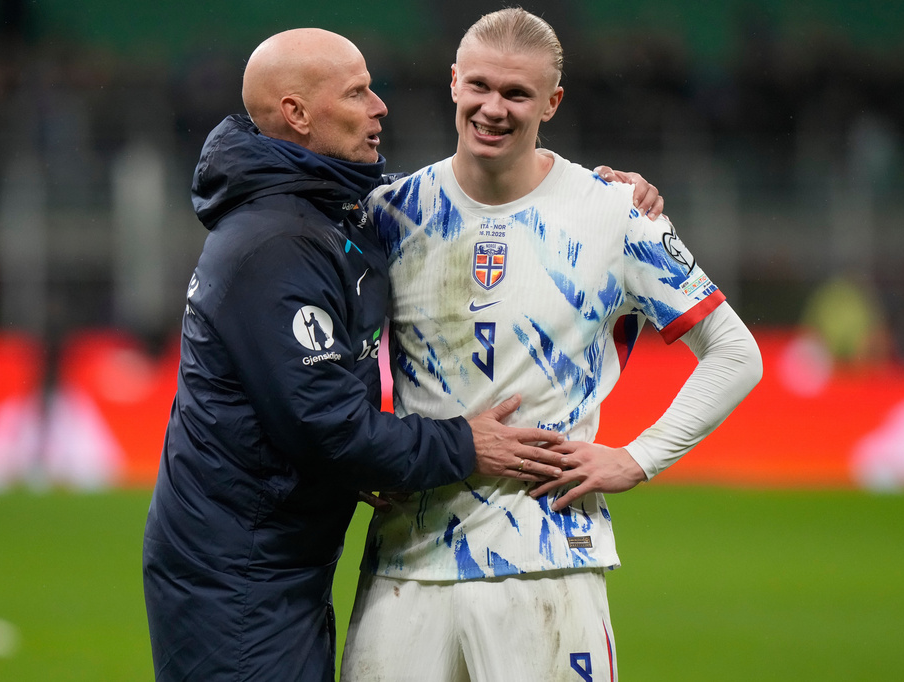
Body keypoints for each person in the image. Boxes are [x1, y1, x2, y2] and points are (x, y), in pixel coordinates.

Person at [141, 27, 578, 682]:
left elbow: (460, 199)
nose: (380, 107)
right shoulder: (275, 246)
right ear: (297, 113)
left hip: (270, 559)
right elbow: (324, 424)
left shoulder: (330, 209)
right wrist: (466, 446)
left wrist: (588, 192)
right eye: (358, 92)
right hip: (231, 574)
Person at [341, 9, 763, 682]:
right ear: (454, 83)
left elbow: (736, 354)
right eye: (479, 86)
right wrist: (358, 452)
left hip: (546, 561)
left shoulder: (615, 214)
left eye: (517, 94)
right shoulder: (388, 214)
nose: (493, 108)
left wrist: (637, 458)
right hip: (406, 563)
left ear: (552, 103)